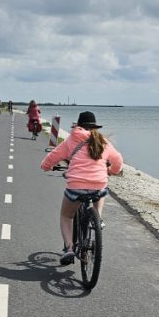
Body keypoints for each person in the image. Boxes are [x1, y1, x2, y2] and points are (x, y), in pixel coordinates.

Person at [40, 111, 123, 265]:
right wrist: (112, 171)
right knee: (101, 188)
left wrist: (45, 166)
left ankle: (70, 249)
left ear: (78, 126)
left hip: (76, 187)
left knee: (66, 216)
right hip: (98, 185)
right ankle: (98, 216)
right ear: (95, 127)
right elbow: (117, 159)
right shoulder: (102, 141)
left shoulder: (72, 139)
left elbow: (54, 156)